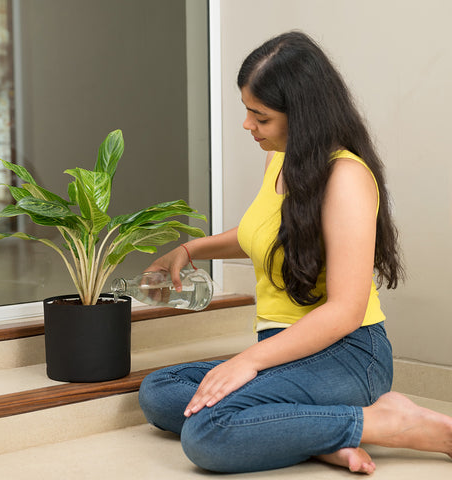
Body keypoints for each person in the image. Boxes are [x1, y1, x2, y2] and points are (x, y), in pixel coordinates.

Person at [138, 31, 452, 474]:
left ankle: (389, 423)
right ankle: (319, 435)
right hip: (284, 350)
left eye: (260, 116)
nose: (248, 125)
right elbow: (269, 236)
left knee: (209, 431)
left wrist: (246, 362)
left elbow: (345, 311)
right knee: (161, 390)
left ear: (301, 115)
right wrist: (191, 249)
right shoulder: (281, 157)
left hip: (347, 353)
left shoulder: (345, 177)